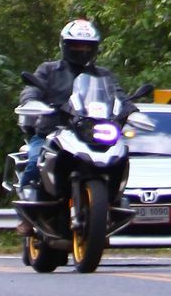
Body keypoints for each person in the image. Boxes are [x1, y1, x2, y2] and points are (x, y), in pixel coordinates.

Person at [18, 17, 111, 198]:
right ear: (65, 45)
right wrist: (30, 101)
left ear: (94, 48)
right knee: (35, 162)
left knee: (119, 158)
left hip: (89, 134)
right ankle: (28, 212)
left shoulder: (102, 75)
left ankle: (114, 200)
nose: (82, 50)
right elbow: (32, 88)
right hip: (52, 132)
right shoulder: (48, 70)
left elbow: (118, 95)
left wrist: (129, 110)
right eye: (76, 45)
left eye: (87, 46)